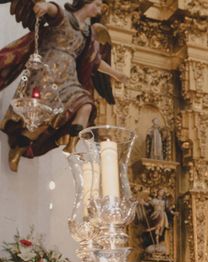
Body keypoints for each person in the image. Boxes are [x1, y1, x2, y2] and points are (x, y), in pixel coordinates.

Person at [0, 0, 127, 171]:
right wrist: (45, 6)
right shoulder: (64, 17)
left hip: (69, 78)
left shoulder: (88, 34)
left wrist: (116, 74)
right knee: (45, 117)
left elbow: (95, 61)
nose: (98, 11)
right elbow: (53, 10)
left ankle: (71, 147)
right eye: (96, 5)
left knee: (86, 105)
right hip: (47, 72)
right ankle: (19, 147)